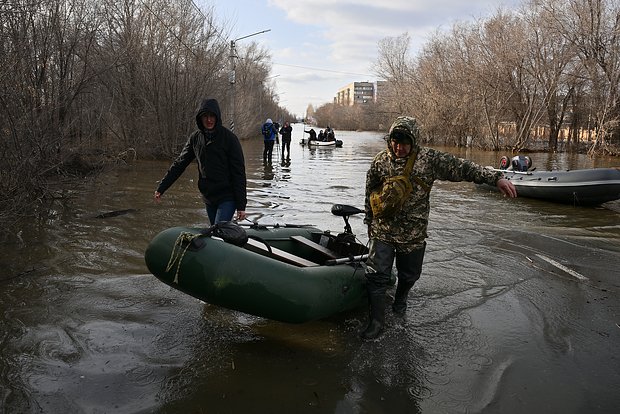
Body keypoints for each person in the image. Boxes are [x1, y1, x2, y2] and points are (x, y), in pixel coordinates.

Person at [361, 116, 517, 340]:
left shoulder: (429, 160)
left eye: (404, 142)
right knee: (376, 276)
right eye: (395, 141)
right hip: (382, 231)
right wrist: (369, 221)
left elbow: (463, 168)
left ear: (414, 141)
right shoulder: (380, 161)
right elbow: (370, 191)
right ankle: (376, 323)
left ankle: (401, 300)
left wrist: (495, 178)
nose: (399, 147)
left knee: (409, 276)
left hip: (413, 235)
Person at [154, 98, 247, 224]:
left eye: (212, 116)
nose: (209, 120)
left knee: (218, 231)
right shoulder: (195, 139)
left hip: (227, 196)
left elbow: (239, 173)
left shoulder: (230, 139)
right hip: (209, 196)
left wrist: (241, 205)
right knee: (214, 231)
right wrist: (162, 187)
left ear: (217, 117)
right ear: (200, 118)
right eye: (205, 116)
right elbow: (180, 163)